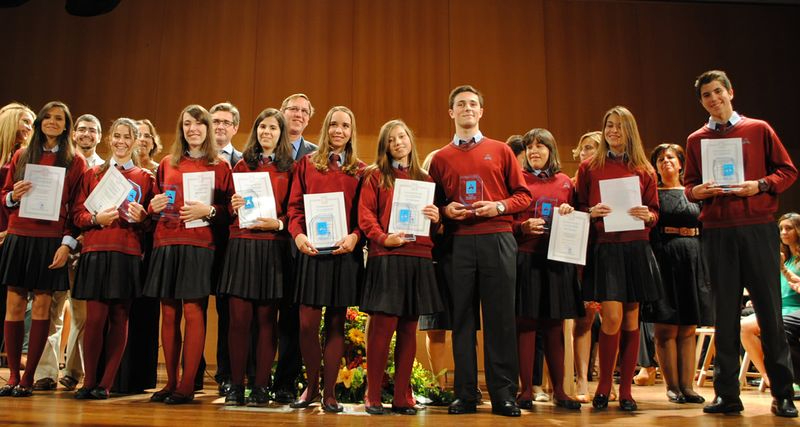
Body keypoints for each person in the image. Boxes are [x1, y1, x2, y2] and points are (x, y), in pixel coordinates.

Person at [684, 70, 798, 418]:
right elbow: (689, 186)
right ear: (701, 101)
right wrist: (697, 192)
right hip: (717, 232)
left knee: (769, 312)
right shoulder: (696, 139)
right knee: (725, 315)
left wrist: (759, 185)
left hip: (757, 229)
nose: (714, 99)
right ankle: (727, 395)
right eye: (706, 95)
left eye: (718, 91)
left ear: (730, 92)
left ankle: (783, 394)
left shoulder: (758, 129)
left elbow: (787, 172)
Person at [428, 85, 531, 417]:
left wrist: (498, 206)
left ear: (481, 111)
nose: (467, 108)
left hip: (497, 239)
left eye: (473, 104)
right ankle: (465, 393)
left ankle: (503, 395)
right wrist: (445, 211)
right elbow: (432, 206)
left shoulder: (501, 151)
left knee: (500, 319)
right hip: (458, 243)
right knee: (462, 320)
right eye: (461, 104)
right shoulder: (439, 158)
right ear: (451, 112)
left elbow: (523, 196)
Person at [143, 104, 232, 405]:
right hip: (166, 242)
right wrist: (152, 207)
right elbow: (154, 203)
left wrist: (209, 210)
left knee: (194, 312)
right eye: (187, 124)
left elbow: (228, 212)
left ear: (208, 128)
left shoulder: (220, 166)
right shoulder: (167, 163)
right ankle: (170, 382)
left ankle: (187, 384)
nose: (192, 129)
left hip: (199, 245)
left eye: (198, 123)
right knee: (168, 313)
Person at [576, 106, 662, 411]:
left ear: (630, 131)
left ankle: (626, 391)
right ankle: (604, 387)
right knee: (611, 317)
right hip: (606, 248)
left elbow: (654, 211)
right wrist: (591, 212)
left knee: (630, 318)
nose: (613, 131)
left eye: (619, 126)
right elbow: (579, 206)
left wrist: (648, 216)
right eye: (609, 125)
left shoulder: (644, 169)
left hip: (636, 248)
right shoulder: (589, 167)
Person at [0, 101, 87, 397]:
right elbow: (5, 195)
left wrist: (66, 244)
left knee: (42, 307)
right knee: (14, 305)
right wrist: (13, 195)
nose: (52, 122)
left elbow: (76, 209)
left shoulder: (75, 162)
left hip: (50, 239)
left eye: (59, 118)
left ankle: (28, 379)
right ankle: (13, 376)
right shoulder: (22, 155)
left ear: (66, 126)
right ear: (39, 122)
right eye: (47, 117)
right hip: (19, 234)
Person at [359, 119, 443, 415]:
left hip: (418, 257)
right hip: (387, 256)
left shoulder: (425, 179)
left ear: (410, 140)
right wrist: (384, 238)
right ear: (385, 146)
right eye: (391, 139)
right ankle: (372, 395)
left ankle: (401, 396)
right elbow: (366, 215)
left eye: (402, 136)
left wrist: (436, 218)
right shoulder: (375, 176)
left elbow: (435, 224)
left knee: (409, 329)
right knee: (382, 329)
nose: (398, 142)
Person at [287, 106, 365, 413]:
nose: (338, 130)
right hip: (311, 252)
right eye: (334, 124)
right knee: (307, 325)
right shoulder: (307, 165)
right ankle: (311, 386)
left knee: (335, 325)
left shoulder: (360, 170)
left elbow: (365, 216)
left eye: (345, 125)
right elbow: (294, 208)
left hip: (344, 255)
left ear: (351, 131)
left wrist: (355, 237)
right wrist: (298, 236)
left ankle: (329, 393)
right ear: (325, 128)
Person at [71, 118, 154, 399]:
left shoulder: (145, 177)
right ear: (109, 139)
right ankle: (88, 381)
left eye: (127, 136)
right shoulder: (92, 174)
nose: (121, 141)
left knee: (119, 318)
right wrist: (95, 219)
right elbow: (77, 215)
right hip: (95, 251)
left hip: (126, 253)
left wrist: (143, 218)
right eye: (117, 136)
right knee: (95, 320)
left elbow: (150, 224)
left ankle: (105, 384)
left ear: (136, 141)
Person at [217, 108, 294, 406]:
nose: (267, 132)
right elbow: (228, 208)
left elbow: (295, 210)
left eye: (273, 128)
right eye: (262, 127)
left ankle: (261, 386)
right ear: (255, 131)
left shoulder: (291, 168)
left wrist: (278, 223)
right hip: (242, 245)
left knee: (266, 321)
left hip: (272, 248)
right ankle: (236, 386)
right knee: (238, 321)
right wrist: (234, 205)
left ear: (281, 133)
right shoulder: (241, 165)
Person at [513, 128, 583, 411]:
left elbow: (581, 218)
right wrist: (522, 227)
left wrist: (570, 213)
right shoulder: (517, 180)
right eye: (530, 147)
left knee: (555, 326)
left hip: (557, 261)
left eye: (540, 146)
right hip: (526, 258)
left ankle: (561, 391)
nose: (534, 151)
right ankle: (525, 390)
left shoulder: (565, 182)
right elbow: (507, 220)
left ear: (551, 150)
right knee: (526, 324)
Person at [34, 113, 104, 392]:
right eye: (82, 129)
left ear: (100, 136)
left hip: (85, 246)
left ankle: (73, 371)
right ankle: (46, 372)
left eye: (93, 130)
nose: (87, 134)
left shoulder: (105, 170)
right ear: (74, 134)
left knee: (81, 313)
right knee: (50, 308)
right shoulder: (60, 162)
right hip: (55, 242)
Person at [640, 143, 712, 403]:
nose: (665, 161)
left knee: (688, 328)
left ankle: (688, 387)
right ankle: (672, 387)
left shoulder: (694, 192)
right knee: (666, 327)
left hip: (693, 258)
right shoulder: (652, 193)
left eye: (670, 157)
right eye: (660, 159)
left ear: (681, 163)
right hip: (664, 258)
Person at [272, 93, 318, 403]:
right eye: (293, 109)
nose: (298, 114)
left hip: (300, 243)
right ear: (282, 112)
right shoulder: (263, 148)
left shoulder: (316, 155)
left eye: (304, 111)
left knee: (291, 315)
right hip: (266, 241)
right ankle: (256, 378)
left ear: (309, 118)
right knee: (262, 314)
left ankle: (286, 382)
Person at [739, 213, 800, 390]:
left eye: (789, 228)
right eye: (781, 229)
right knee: (743, 326)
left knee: (752, 326)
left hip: (794, 308)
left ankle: (782, 378)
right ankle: (769, 377)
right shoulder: (784, 257)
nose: (783, 232)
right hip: (778, 307)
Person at [208, 101, 244, 395]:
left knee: (230, 312)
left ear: (235, 128)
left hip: (234, 247)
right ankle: (193, 374)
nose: (220, 126)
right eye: (215, 121)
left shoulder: (245, 163)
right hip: (202, 244)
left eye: (225, 122)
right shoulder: (196, 159)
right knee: (193, 308)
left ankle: (228, 374)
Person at [569, 130, 603, 402]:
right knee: (581, 320)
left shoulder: (609, 182)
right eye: (582, 148)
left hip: (604, 253)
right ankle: (579, 378)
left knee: (603, 321)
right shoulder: (570, 184)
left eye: (591, 147)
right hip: (579, 255)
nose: (584, 152)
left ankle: (600, 379)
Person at [0, 103, 35, 354]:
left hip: (12, 235)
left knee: (10, 299)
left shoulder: (26, 158)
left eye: (32, 123)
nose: (29, 128)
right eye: (25, 122)